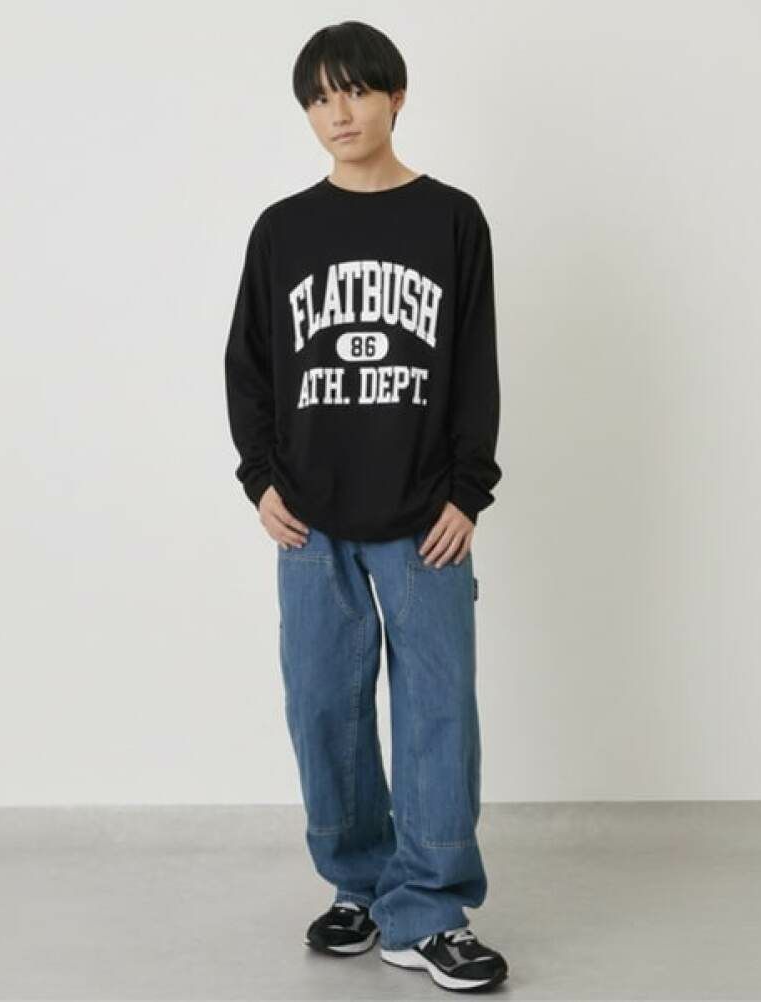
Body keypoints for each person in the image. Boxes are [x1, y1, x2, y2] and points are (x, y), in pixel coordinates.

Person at [224, 20, 507, 993]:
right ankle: (360, 885)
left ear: (396, 96)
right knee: (323, 708)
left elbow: (475, 363)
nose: (337, 113)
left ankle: (429, 910)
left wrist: (469, 489)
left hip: (428, 518)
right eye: (318, 97)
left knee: (438, 712)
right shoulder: (283, 229)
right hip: (309, 519)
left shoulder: (452, 220)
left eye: (353, 91)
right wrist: (260, 479)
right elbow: (249, 365)